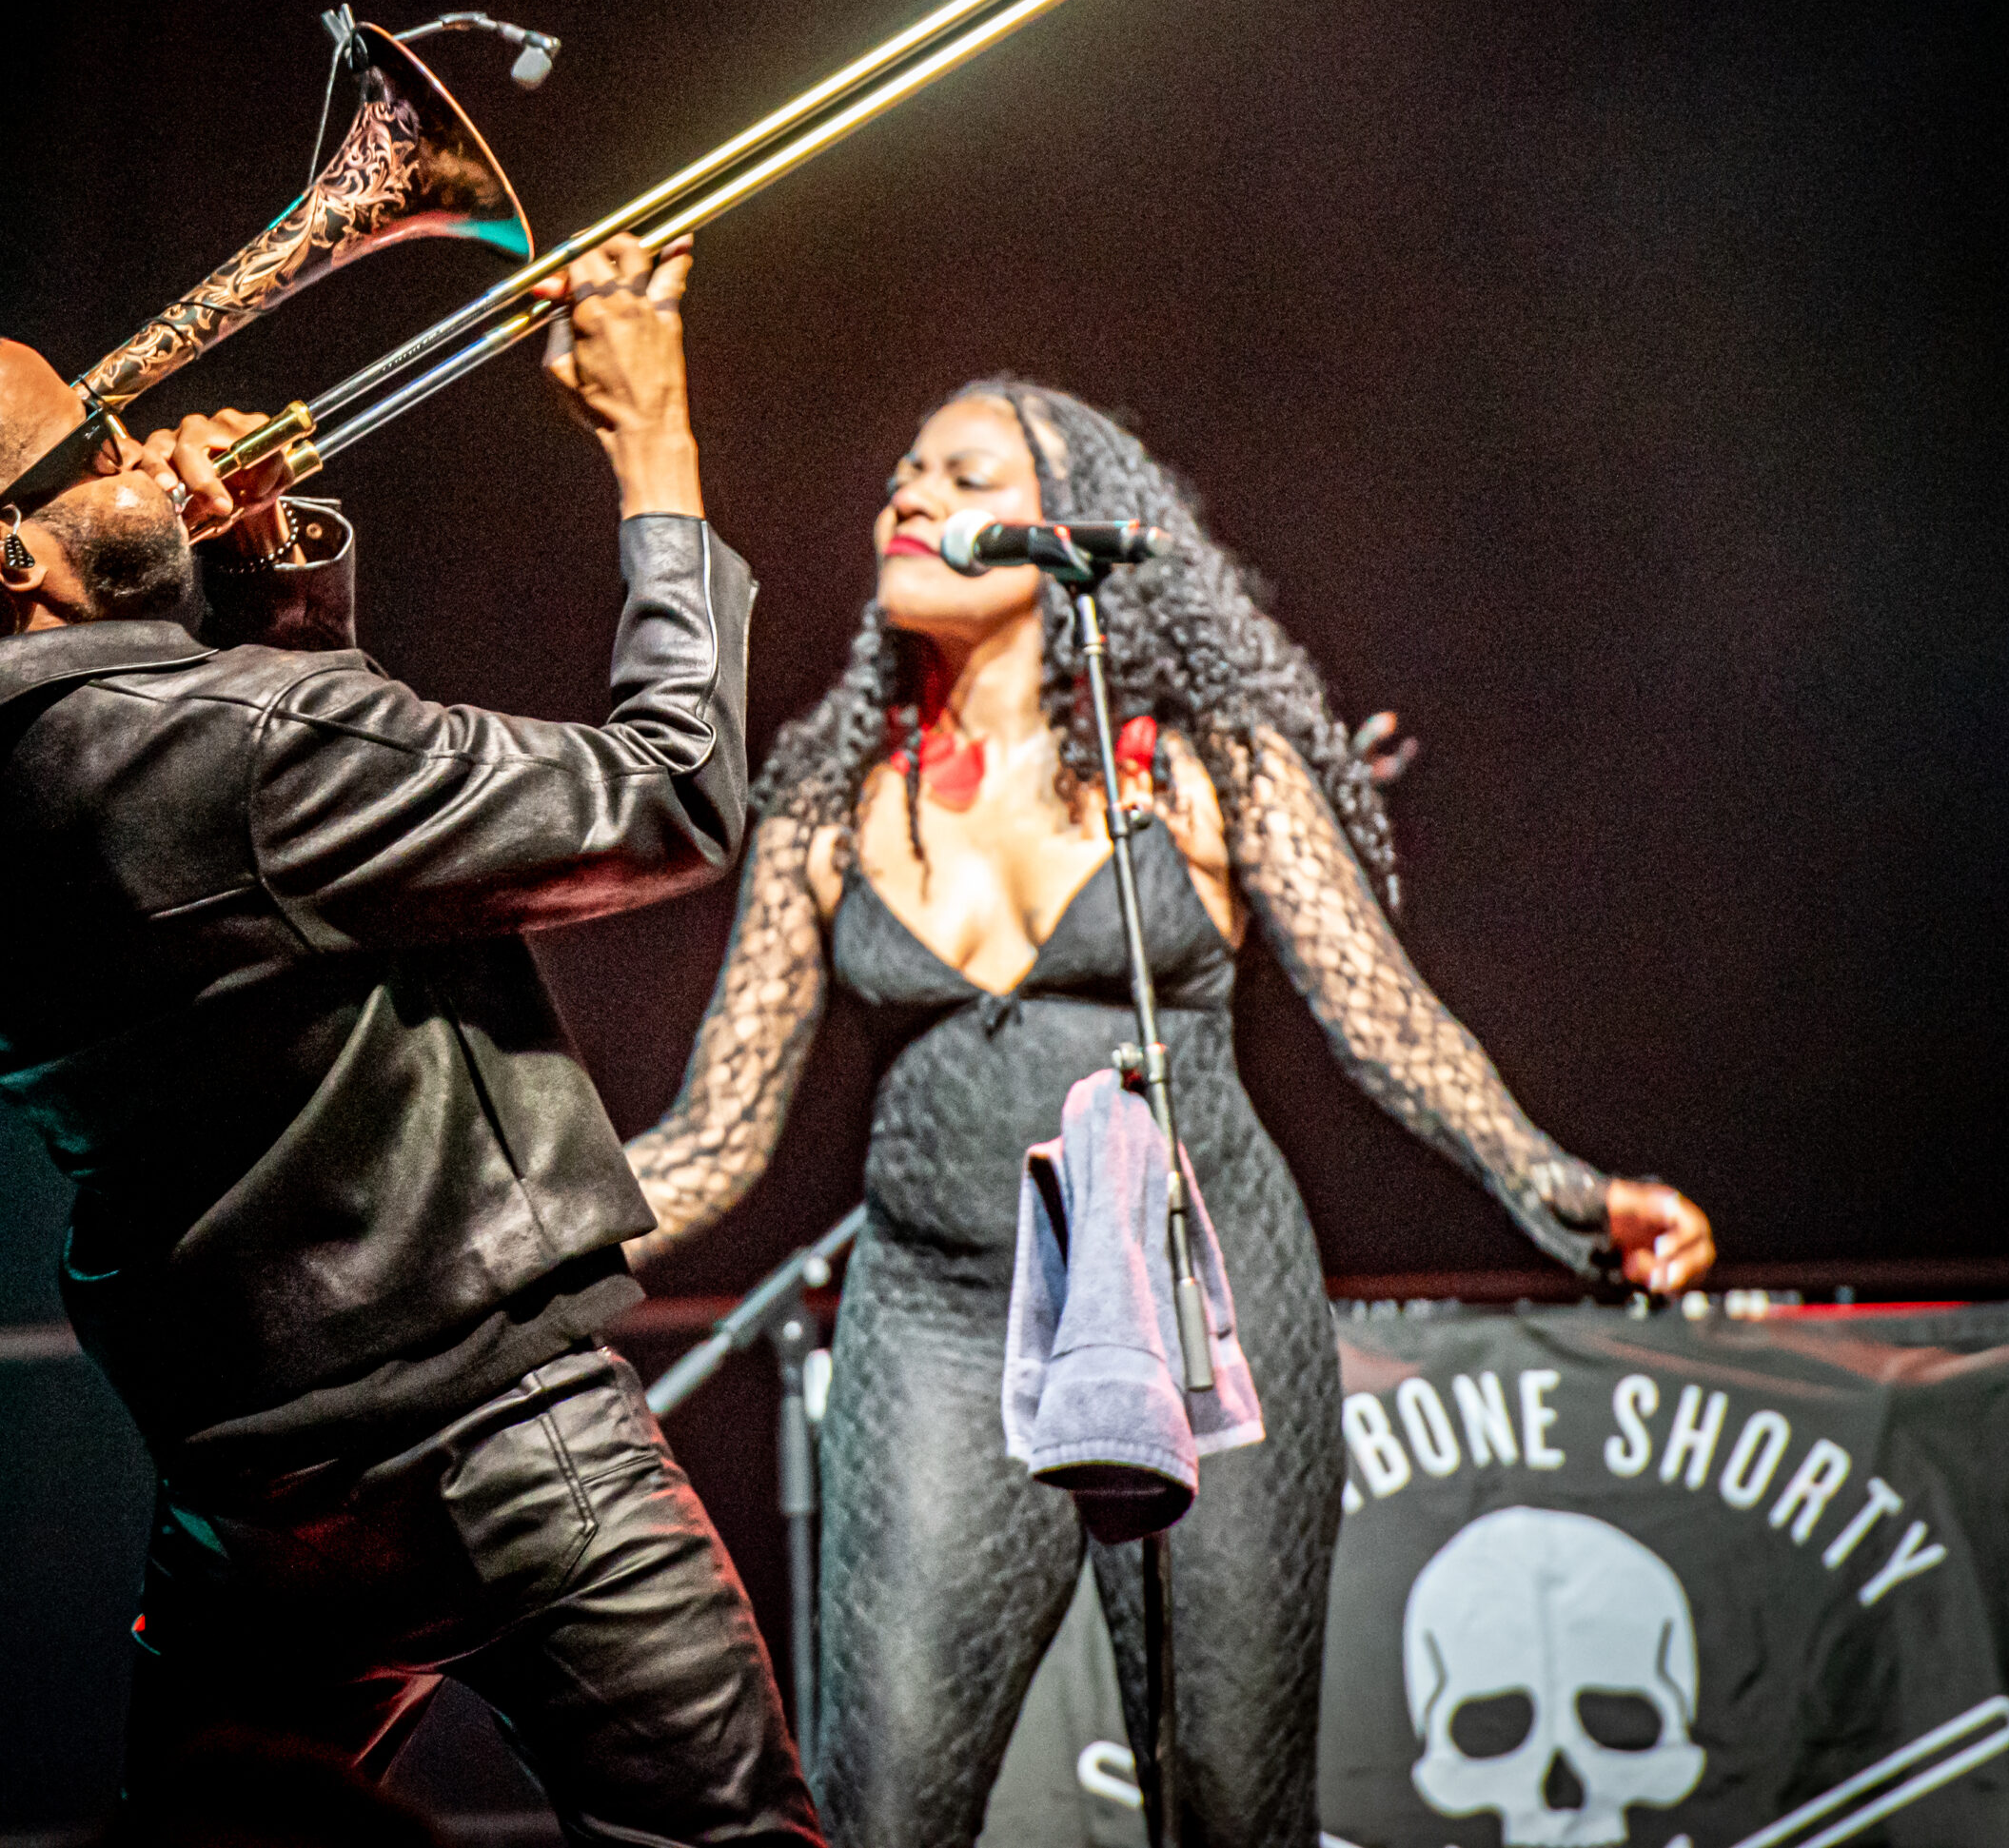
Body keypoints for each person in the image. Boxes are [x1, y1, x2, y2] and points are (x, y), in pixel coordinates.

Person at [0, 234, 821, 1846]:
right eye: (90, 439)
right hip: (505, 1445)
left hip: (251, 1506)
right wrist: (655, 441)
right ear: (10, 551)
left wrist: (267, 590)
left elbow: (265, 877)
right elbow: (674, 790)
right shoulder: (244, 745)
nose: (133, 444)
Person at [623, 379, 1715, 1848]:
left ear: (1070, 526)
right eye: (901, 477)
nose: (910, 497)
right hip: (941, 1318)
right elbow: (714, 1137)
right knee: (882, 1810)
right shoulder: (832, 802)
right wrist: (494, 1250)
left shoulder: (1206, 772)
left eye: (965, 475)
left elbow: (1387, 1021)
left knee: (1226, 1801)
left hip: (1204, 1303)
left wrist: (1569, 1194)